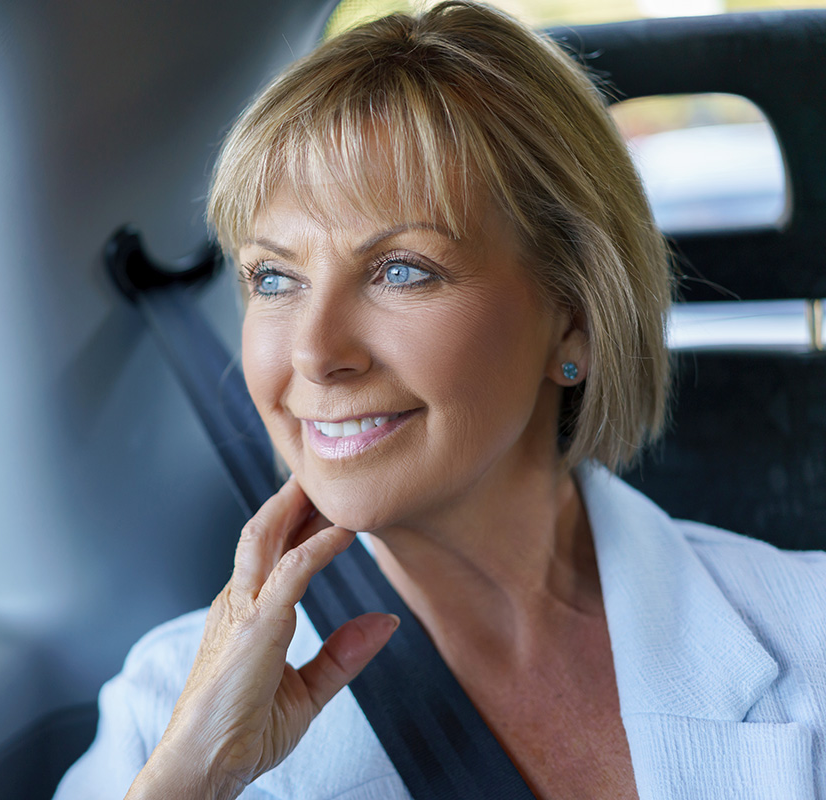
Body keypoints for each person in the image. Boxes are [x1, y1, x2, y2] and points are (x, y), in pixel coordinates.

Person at [55, 2, 826, 797]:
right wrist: (196, 775)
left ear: (573, 320)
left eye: (400, 270)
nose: (316, 353)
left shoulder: (811, 635)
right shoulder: (165, 714)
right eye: (274, 278)